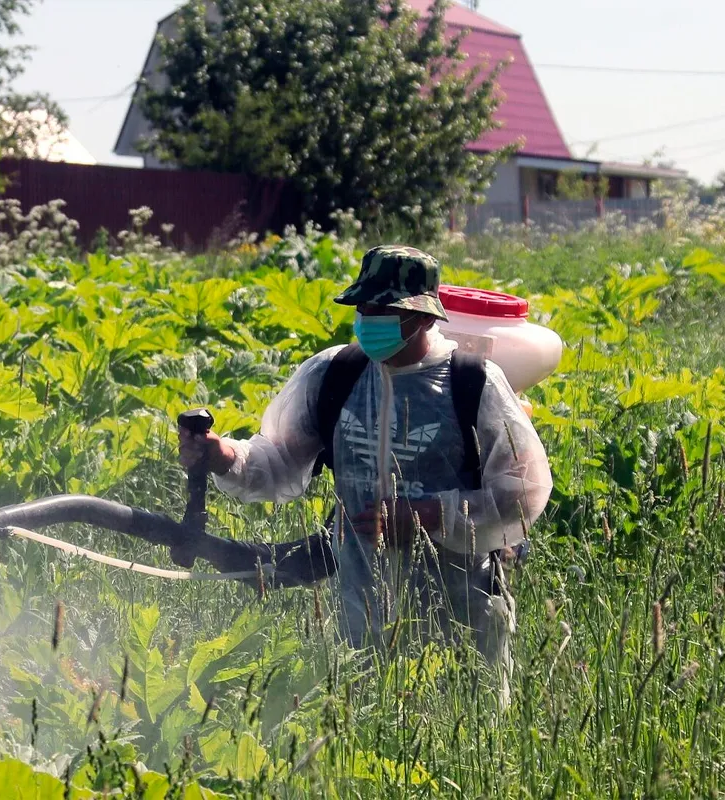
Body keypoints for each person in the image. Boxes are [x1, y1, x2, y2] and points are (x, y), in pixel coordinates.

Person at [174, 245, 552, 695]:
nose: (371, 321)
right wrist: (224, 456)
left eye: (387, 311)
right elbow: (277, 460)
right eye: (365, 308)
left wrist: (430, 516)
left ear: (427, 317)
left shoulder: (473, 383)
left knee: (465, 746)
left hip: (462, 618)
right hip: (361, 615)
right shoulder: (336, 374)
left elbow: (522, 494)